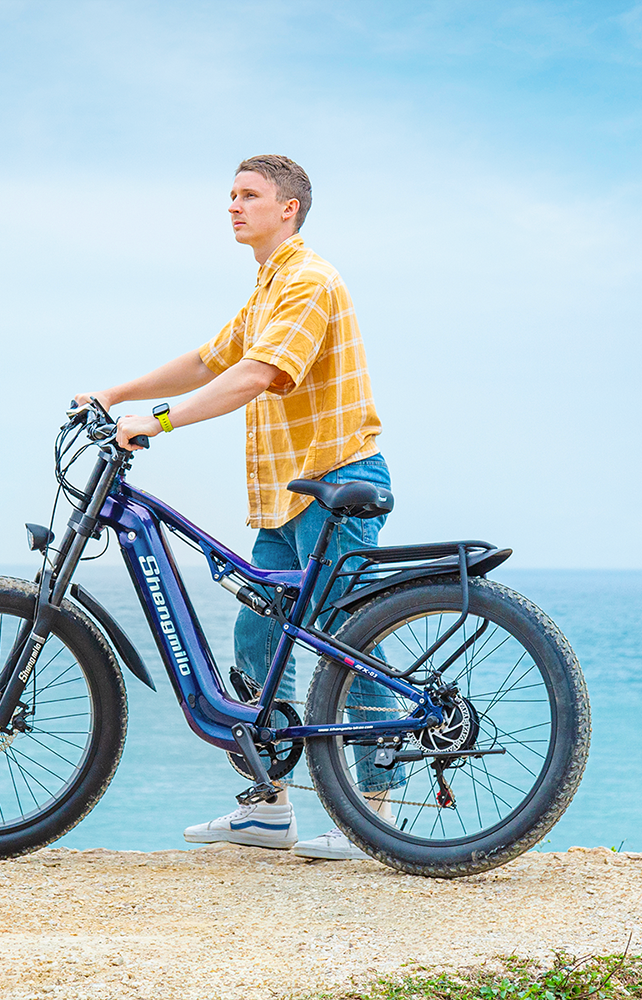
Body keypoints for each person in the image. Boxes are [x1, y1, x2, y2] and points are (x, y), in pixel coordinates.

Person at [75, 154, 405, 860]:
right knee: (259, 641)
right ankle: (269, 807)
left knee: (349, 640)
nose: (233, 206)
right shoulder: (266, 289)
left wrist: (156, 423)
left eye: (248, 195)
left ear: (288, 207)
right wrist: (114, 395)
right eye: (230, 195)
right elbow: (209, 360)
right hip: (286, 495)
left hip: (335, 481)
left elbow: (257, 375)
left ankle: (376, 812)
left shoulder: (309, 281)